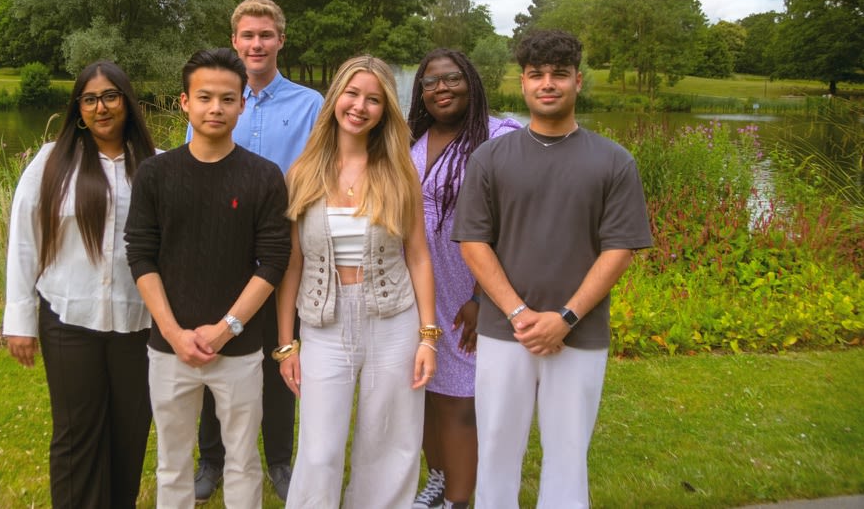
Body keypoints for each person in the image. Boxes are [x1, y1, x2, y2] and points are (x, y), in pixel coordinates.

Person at [451, 30, 653, 508]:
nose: (548, 84)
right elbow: (474, 243)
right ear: (521, 83)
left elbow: (619, 249)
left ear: (578, 81)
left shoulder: (614, 161)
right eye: (536, 74)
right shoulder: (491, 158)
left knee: (568, 458)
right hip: (505, 332)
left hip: (578, 336)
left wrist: (565, 317)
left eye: (559, 75)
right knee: (497, 452)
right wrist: (520, 313)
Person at [126, 47, 291, 509]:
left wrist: (226, 329)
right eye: (204, 97)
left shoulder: (264, 177)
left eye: (227, 98)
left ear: (242, 104)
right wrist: (174, 332)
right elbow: (140, 255)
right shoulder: (155, 174)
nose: (215, 108)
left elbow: (273, 261)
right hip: (169, 348)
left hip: (238, 348)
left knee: (242, 459)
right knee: (173, 461)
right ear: (184, 102)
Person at [277, 55, 439, 507]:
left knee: (389, 440)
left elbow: (419, 257)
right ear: (335, 100)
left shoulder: (400, 171)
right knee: (320, 446)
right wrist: (286, 343)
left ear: (385, 109)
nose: (360, 106)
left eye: (374, 99)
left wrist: (428, 337)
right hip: (323, 320)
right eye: (352, 94)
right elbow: (292, 264)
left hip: (393, 319)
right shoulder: (302, 173)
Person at [3, 60, 157, 508]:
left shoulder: (154, 166)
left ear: (127, 102)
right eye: (89, 99)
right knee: (76, 435)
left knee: (130, 431)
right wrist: (19, 320)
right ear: (78, 108)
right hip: (68, 319)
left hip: (137, 322)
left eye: (110, 96)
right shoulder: (50, 162)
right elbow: (24, 243)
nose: (100, 107)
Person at [190, 0, 323, 502]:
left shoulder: (310, 104)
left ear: (280, 40)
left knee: (280, 351)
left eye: (265, 35)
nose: (256, 44)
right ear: (235, 41)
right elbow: (197, 162)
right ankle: (212, 457)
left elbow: (317, 174)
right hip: (222, 245)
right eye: (247, 35)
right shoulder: (218, 98)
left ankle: (282, 459)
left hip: (284, 246)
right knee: (214, 349)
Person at [406, 49, 522, 509]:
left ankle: (457, 498)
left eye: (452, 78)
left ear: (471, 82)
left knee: (457, 397)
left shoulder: (498, 137)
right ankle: (437, 481)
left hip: (466, 285)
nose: (441, 88)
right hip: (414, 282)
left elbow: (513, 222)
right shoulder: (412, 137)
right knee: (425, 395)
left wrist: (481, 296)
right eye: (431, 82)